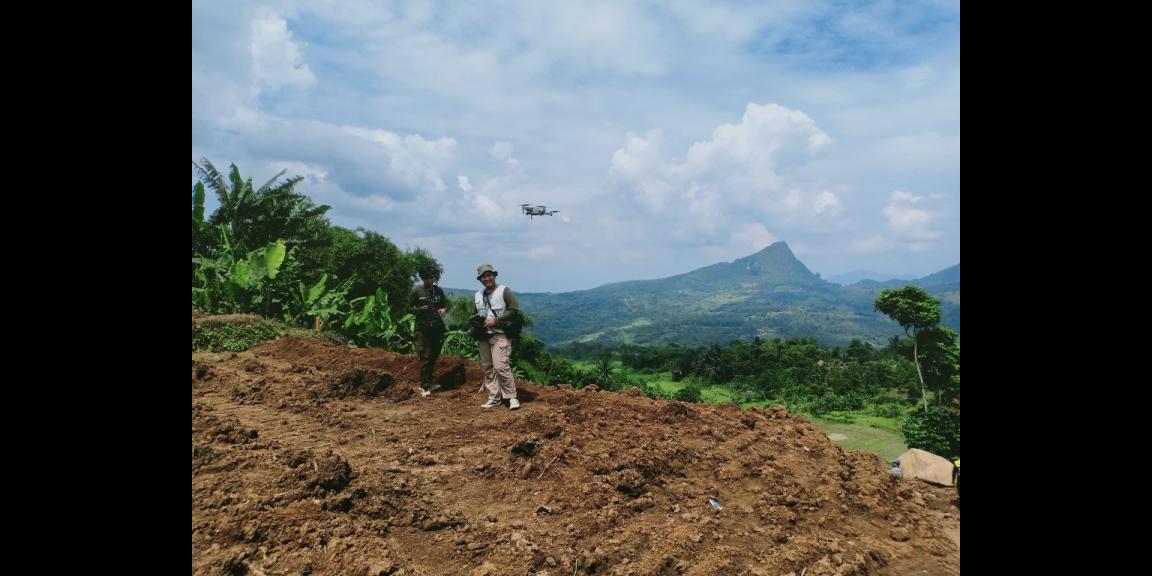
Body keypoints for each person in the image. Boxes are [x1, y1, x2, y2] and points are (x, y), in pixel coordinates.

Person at [474, 263, 520, 409]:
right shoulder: (478, 295)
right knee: (487, 367)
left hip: (500, 334)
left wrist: (496, 320)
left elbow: (514, 310)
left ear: (494, 275)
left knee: (501, 366)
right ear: (480, 279)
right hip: (483, 336)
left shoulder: (503, 291)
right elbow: (474, 313)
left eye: (489, 275)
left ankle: (512, 396)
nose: (487, 278)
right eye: (484, 276)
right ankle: (494, 397)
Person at [409, 264, 448, 397]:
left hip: (436, 327)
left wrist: (444, 309)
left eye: (432, 277)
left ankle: (430, 382)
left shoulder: (438, 291)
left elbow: (445, 305)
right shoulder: (417, 292)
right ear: (422, 278)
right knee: (425, 356)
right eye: (427, 278)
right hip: (422, 328)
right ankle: (424, 386)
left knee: (434, 355)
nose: (430, 280)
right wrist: (420, 310)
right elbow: (407, 308)